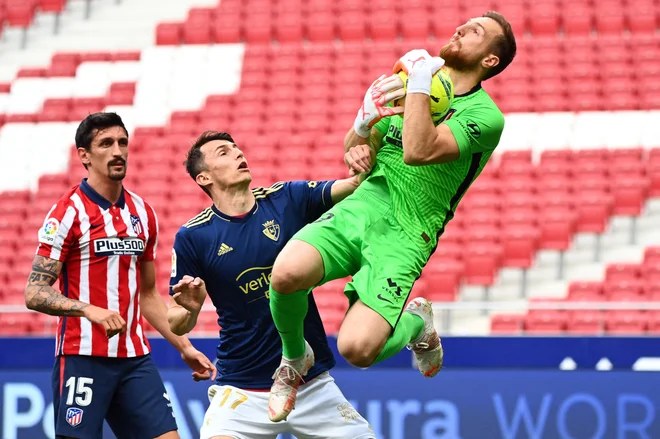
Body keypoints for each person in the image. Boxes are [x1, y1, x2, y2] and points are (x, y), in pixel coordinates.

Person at [266, 11, 518, 422]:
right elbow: (357, 153)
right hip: (363, 206)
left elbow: (419, 150)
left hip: (407, 233)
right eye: (463, 24)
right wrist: (360, 132)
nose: (459, 29)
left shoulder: (485, 117)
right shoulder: (412, 86)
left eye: (475, 32)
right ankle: (295, 358)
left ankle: (416, 324)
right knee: (286, 274)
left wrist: (417, 85)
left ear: (490, 60)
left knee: (358, 351)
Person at [166, 131, 375, 439]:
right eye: (224, 152)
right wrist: (190, 309)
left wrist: (362, 155)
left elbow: (356, 185)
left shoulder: (287, 199)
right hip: (242, 388)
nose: (238, 154)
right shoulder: (193, 236)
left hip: (310, 384)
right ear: (203, 178)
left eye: (237, 148)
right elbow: (177, 322)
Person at [24, 112, 216, 439]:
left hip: (134, 360)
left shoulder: (143, 213)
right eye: (106, 144)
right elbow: (34, 292)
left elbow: (148, 295)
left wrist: (184, 347)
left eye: (122, 142)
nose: (118, 151)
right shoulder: (67, 212)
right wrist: (88, 309)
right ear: (84, 155)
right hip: (82, 358)